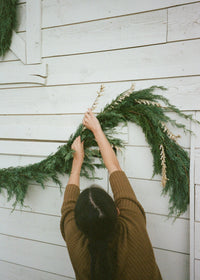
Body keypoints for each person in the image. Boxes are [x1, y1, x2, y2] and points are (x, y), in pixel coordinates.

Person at [60, 109, 162, 280]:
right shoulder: (132, 226)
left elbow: (68, 206)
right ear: (118, 211)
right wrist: (97, 130)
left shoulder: (75, 242)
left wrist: (76, 162)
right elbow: (115, 168)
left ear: (78, 223)